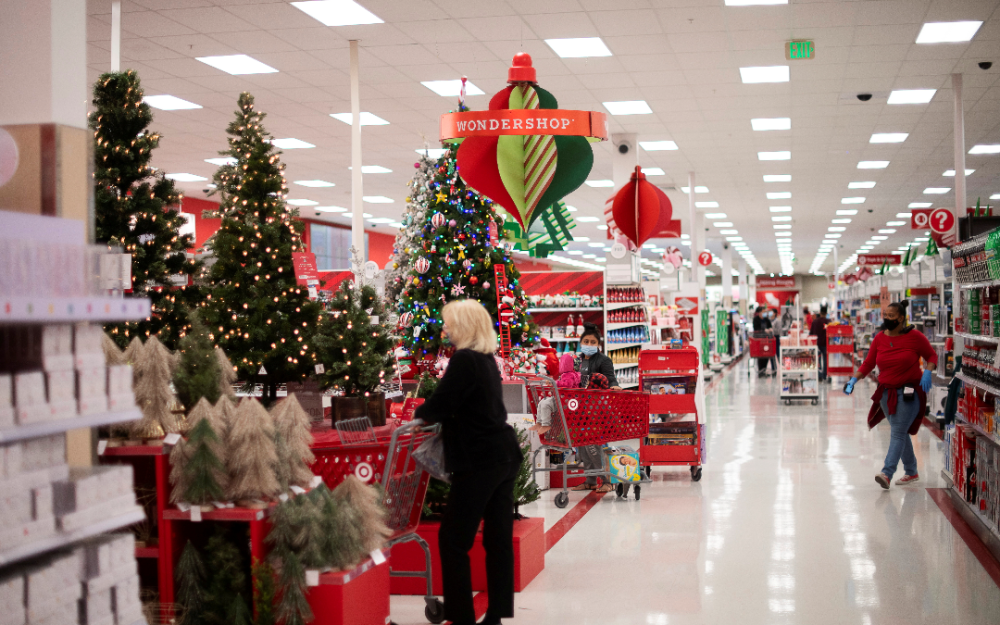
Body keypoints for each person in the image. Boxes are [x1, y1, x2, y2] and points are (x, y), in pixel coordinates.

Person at [414, 299, 522, 625]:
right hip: (503, 454)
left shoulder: (463, 360)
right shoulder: (487, 359)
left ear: (462, 326)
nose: (444, 329)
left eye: (449, 323)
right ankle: (496, 616)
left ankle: (461, 617)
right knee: (498, 539)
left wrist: (416, 415)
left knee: (453, 540)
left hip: (479, 460)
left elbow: (440, 404)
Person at [844, 301, 937, 490]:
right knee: (899, 432)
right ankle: (912, 471)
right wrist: (853, 380)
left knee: (897, 433)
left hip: (910, 393)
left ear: (901, 318)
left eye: (891, 316)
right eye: (885, 315)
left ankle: (887, 472)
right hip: (887, 394)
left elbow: (932, 356)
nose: (887, 319)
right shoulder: (879, 338)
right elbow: (868, 363)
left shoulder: (915, 337)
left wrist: (928, 371)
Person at [572, 323, 620, 493]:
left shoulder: (603, 360)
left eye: (593, 342)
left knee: (596, 445)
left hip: (598, 411)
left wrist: (614, 386)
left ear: (598, 345)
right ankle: (590, 480)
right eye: (586, 341)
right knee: (582, 445)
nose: (589, 345)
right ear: (581, 342)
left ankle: (607, 479)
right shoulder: (577, 360)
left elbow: (610, 377)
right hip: (581, 409)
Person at [752, 307, 776, 376]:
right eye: (763, 312)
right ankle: (760, 370)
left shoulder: (766, 320)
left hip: (766, 340)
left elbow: (770, 326)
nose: (765, 313)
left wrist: (770, 329)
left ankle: (764, 369)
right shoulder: (755, 319)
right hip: (759, 340)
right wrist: (763, 330)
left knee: (766, 354)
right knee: (760, 355)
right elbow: (756, 328)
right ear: (759, 312)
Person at [810, 305, 830, 382]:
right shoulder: (828, 322)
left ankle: (819, 376)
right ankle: (825, 375)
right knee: (825, 360)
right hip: (825, 343)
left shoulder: (815, 322)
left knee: (817, 360)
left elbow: (811, 333)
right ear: (826, 313)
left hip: (816, 344)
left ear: (820, 312)